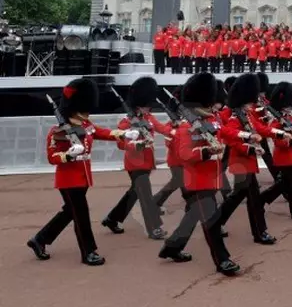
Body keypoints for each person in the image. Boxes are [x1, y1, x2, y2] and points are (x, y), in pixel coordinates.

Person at [27, 78, 136, 265]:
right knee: (81, 215)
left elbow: (101, 132)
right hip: (68, 180)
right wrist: (68, 155)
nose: (87, 113)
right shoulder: (58, 131)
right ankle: (88, 252)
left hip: (83, 177)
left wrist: (123, 134)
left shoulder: (85, 125)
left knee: (70, 212)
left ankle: (39, 239)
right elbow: (52, 157)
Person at [158, 72, 240, 275]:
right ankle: (223, 260)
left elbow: (225, 132)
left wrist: (245, 135)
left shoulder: (211, 119)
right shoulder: (187, 125)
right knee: (212, 223)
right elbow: (184, 154)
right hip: (196, 182)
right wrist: (206, 151)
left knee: (192, 216)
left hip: (210, 178)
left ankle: (172, 247)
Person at [102, 77, 173, 239]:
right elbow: (121, 144)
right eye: (146, 106)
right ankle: (154, 228)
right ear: (138, 105)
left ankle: (112, 218)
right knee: (146, 196)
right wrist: (137, 144)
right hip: (135, 164)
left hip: (147, 162)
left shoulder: (148, 118)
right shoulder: (126, 122)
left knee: (134, 193)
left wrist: (177, 129)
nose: (149, 108)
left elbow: (162, 129)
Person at [218, 73, 281, 245]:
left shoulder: (247, 114)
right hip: (241, 163)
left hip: (247, 163)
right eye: (249, 102)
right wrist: (251, 148)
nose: (252, 105)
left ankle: (215, 222)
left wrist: (279, 133)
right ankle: (260, 233)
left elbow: (260, 128)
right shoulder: (234, 117)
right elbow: (232, 140)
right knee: (253, 199)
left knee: (237, 197)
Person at [260, 82, 292, 221]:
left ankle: (261, 199)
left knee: (283, 184)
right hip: (282, 157)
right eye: (287, 105)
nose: (290, 108)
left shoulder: (288, 118)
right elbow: (277, 141)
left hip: (289, 156)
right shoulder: (277, 121)